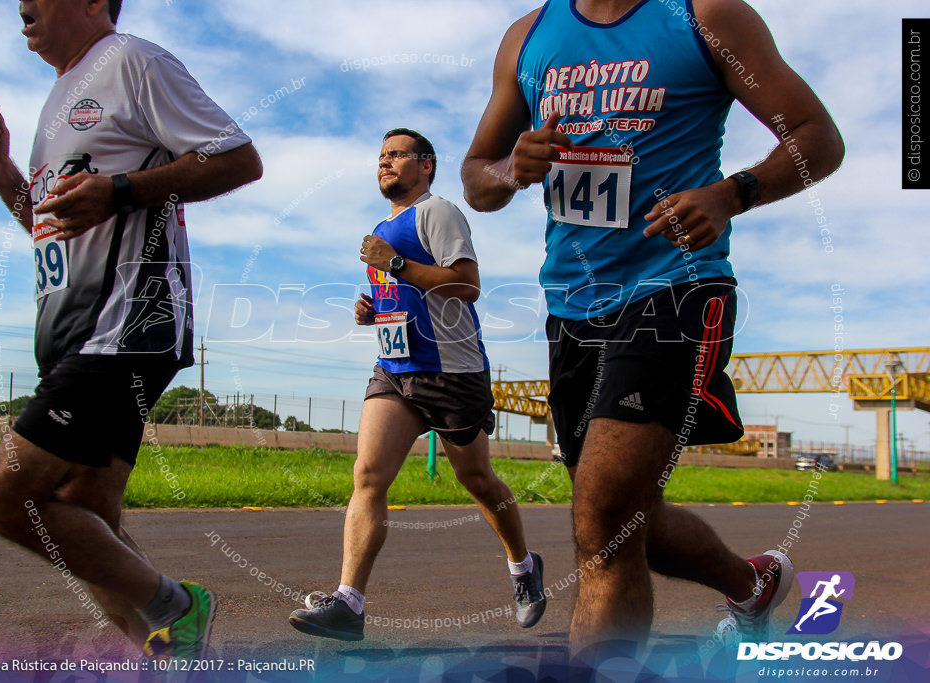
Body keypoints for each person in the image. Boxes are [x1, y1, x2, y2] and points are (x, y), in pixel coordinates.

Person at [460, 0, 843, 660]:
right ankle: (751, 584)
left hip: (679, 285)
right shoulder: (527, 39)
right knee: (619, 519)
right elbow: (477, 175)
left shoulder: (707, 17)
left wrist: (731, 194)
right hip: (573, 307)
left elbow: (816, 136)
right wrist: (511, 169)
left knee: (605, 514)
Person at [0, 0, 262, 661]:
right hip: (77, 332)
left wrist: (122, 190)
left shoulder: (130, 61)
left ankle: (177, 607)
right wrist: (1, 172)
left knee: (6, 495)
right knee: (84, 507)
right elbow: (51, 223)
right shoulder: (59, 95)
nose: (20, 5)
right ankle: (164, 659)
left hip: (128, 320)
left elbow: (238, 157)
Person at [288, 129, 546, 641]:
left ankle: (523, 567)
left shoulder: (437, 212)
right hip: (394, 369)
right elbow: (398, 291)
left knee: (477, 481)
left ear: (426, 165)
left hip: (450, 371)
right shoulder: (382, 227)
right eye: (381, 156)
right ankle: (349, 603)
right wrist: (372, 309)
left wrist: (396, 263)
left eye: (398, 155)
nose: (385, 163)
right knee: (368, 476)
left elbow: (466, 284)